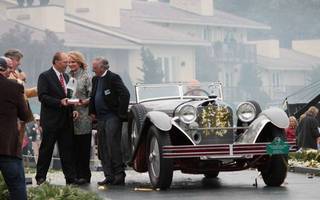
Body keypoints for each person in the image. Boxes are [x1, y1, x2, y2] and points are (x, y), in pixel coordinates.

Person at [35, 52, 79, 185]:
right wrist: (59, 102)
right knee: (46, 149)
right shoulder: (45, 76)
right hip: (51, 120)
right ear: (56, 62)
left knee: (67, 149)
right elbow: (42, 96)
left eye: (67, 62)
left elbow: (69, 96)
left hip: (66, 120)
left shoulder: (67, 77)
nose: (67, 65)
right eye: (64, 62)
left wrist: (74, 109)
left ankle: (70, 177)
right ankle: (41, 177)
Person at [89, 57, 130, 185]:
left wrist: (120, 113)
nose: (93, 70)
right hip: (100, 118)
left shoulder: (113, 78)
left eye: (95, 68)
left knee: (113, 145)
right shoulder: (95, 79)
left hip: (112, 116)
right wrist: (92, 111)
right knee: (102, 147)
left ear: (103, 67)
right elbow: (93, 95)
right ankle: (109, 175)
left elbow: (125, 94)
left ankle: (119, 174)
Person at [0, 57, 29, 200]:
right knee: (17, 186)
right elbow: (25, 115)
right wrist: (20, 84)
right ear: (4, 70)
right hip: (7, 146)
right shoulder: (14, 86)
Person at [67, 51, 92, 185]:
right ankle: (75, 175)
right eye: (69, 62)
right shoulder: (67, 77)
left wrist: (82, 102)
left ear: (79, 62)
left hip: (83, 116)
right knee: (73, 148)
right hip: (70, 115)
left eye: (73, 62)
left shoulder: (86, 77)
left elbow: (92, 96)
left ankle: (85, 175)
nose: (71, 64)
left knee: (83, 147)